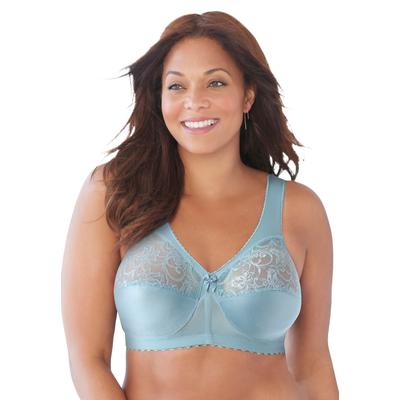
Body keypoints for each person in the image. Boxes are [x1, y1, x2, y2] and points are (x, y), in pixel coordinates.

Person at [61, 10, 339, 400]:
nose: (194, 101)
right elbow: (87, 359)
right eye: (177, 86)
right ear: (160, 97)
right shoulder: (114, 191)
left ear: (247, 96)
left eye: (216, 82)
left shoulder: (300, 209)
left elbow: (312, 367)